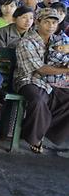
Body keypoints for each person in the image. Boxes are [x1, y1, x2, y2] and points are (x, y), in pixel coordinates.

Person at [15, 8, 69, 153]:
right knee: (39, 100)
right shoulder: (26, 42)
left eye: (54, 22)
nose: (51, 26)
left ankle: (44, 128)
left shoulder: (58, 40)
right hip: (28, 79)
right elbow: (40, 69)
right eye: (47, 22)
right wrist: (66, 70)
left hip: (52, 82)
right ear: (38, 22)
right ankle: (35, 137)